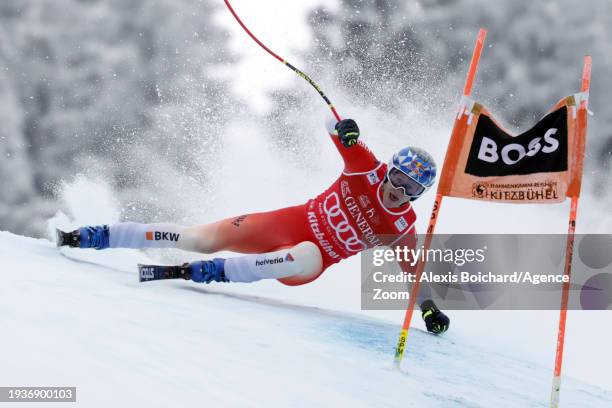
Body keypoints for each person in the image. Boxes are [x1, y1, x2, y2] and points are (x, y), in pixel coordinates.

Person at [57, 119, 450, 334]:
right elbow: (335, 128)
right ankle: (96, 236)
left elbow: (411, 272)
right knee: (199, 237)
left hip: (307, 264)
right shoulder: (366, 166)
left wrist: (429, 309)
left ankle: (214, 274)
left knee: (306, 254)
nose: (400, 189)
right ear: (390, 170)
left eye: (412, 187)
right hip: (282, 224)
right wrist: (345, 130)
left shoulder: (402, 224)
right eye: (398, 178)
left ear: (419, 194)